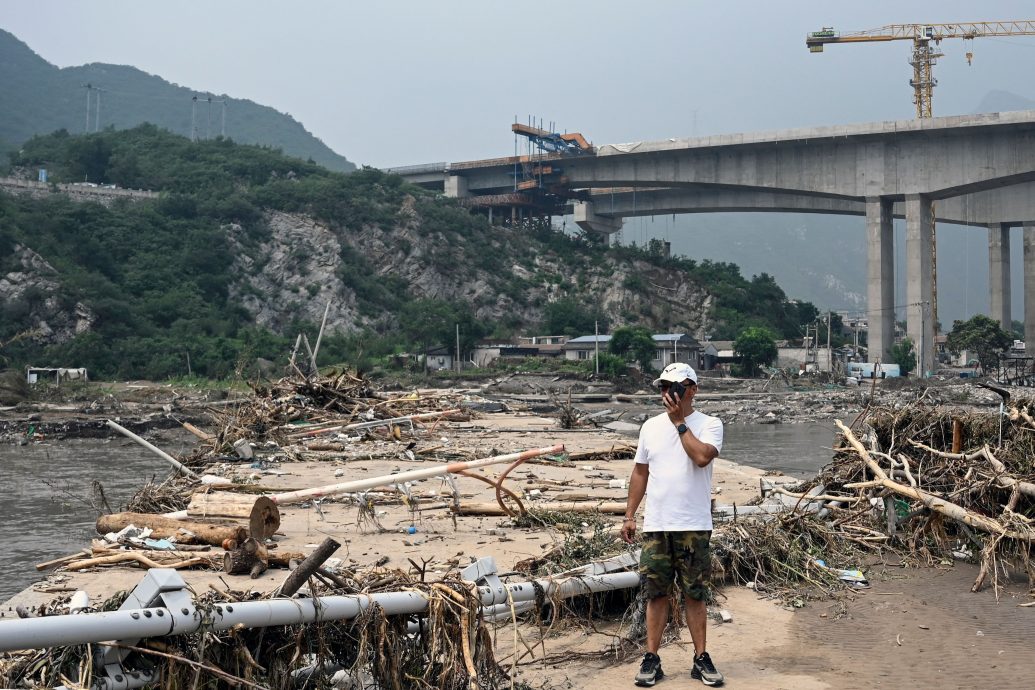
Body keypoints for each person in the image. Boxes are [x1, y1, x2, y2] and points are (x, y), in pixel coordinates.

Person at [621, 362, 725, 687]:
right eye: (663, 387)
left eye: (674, 387)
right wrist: (629, 515)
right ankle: (651, 658)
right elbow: (640, 472)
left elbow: (702, 457)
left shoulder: (710, 424)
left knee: (695, 594)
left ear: (692, 390)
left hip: (693, 524)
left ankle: (701, 658)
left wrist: (680, 422)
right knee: (655, 594)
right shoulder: (650, 427)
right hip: (657, 524)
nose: (668, 393)